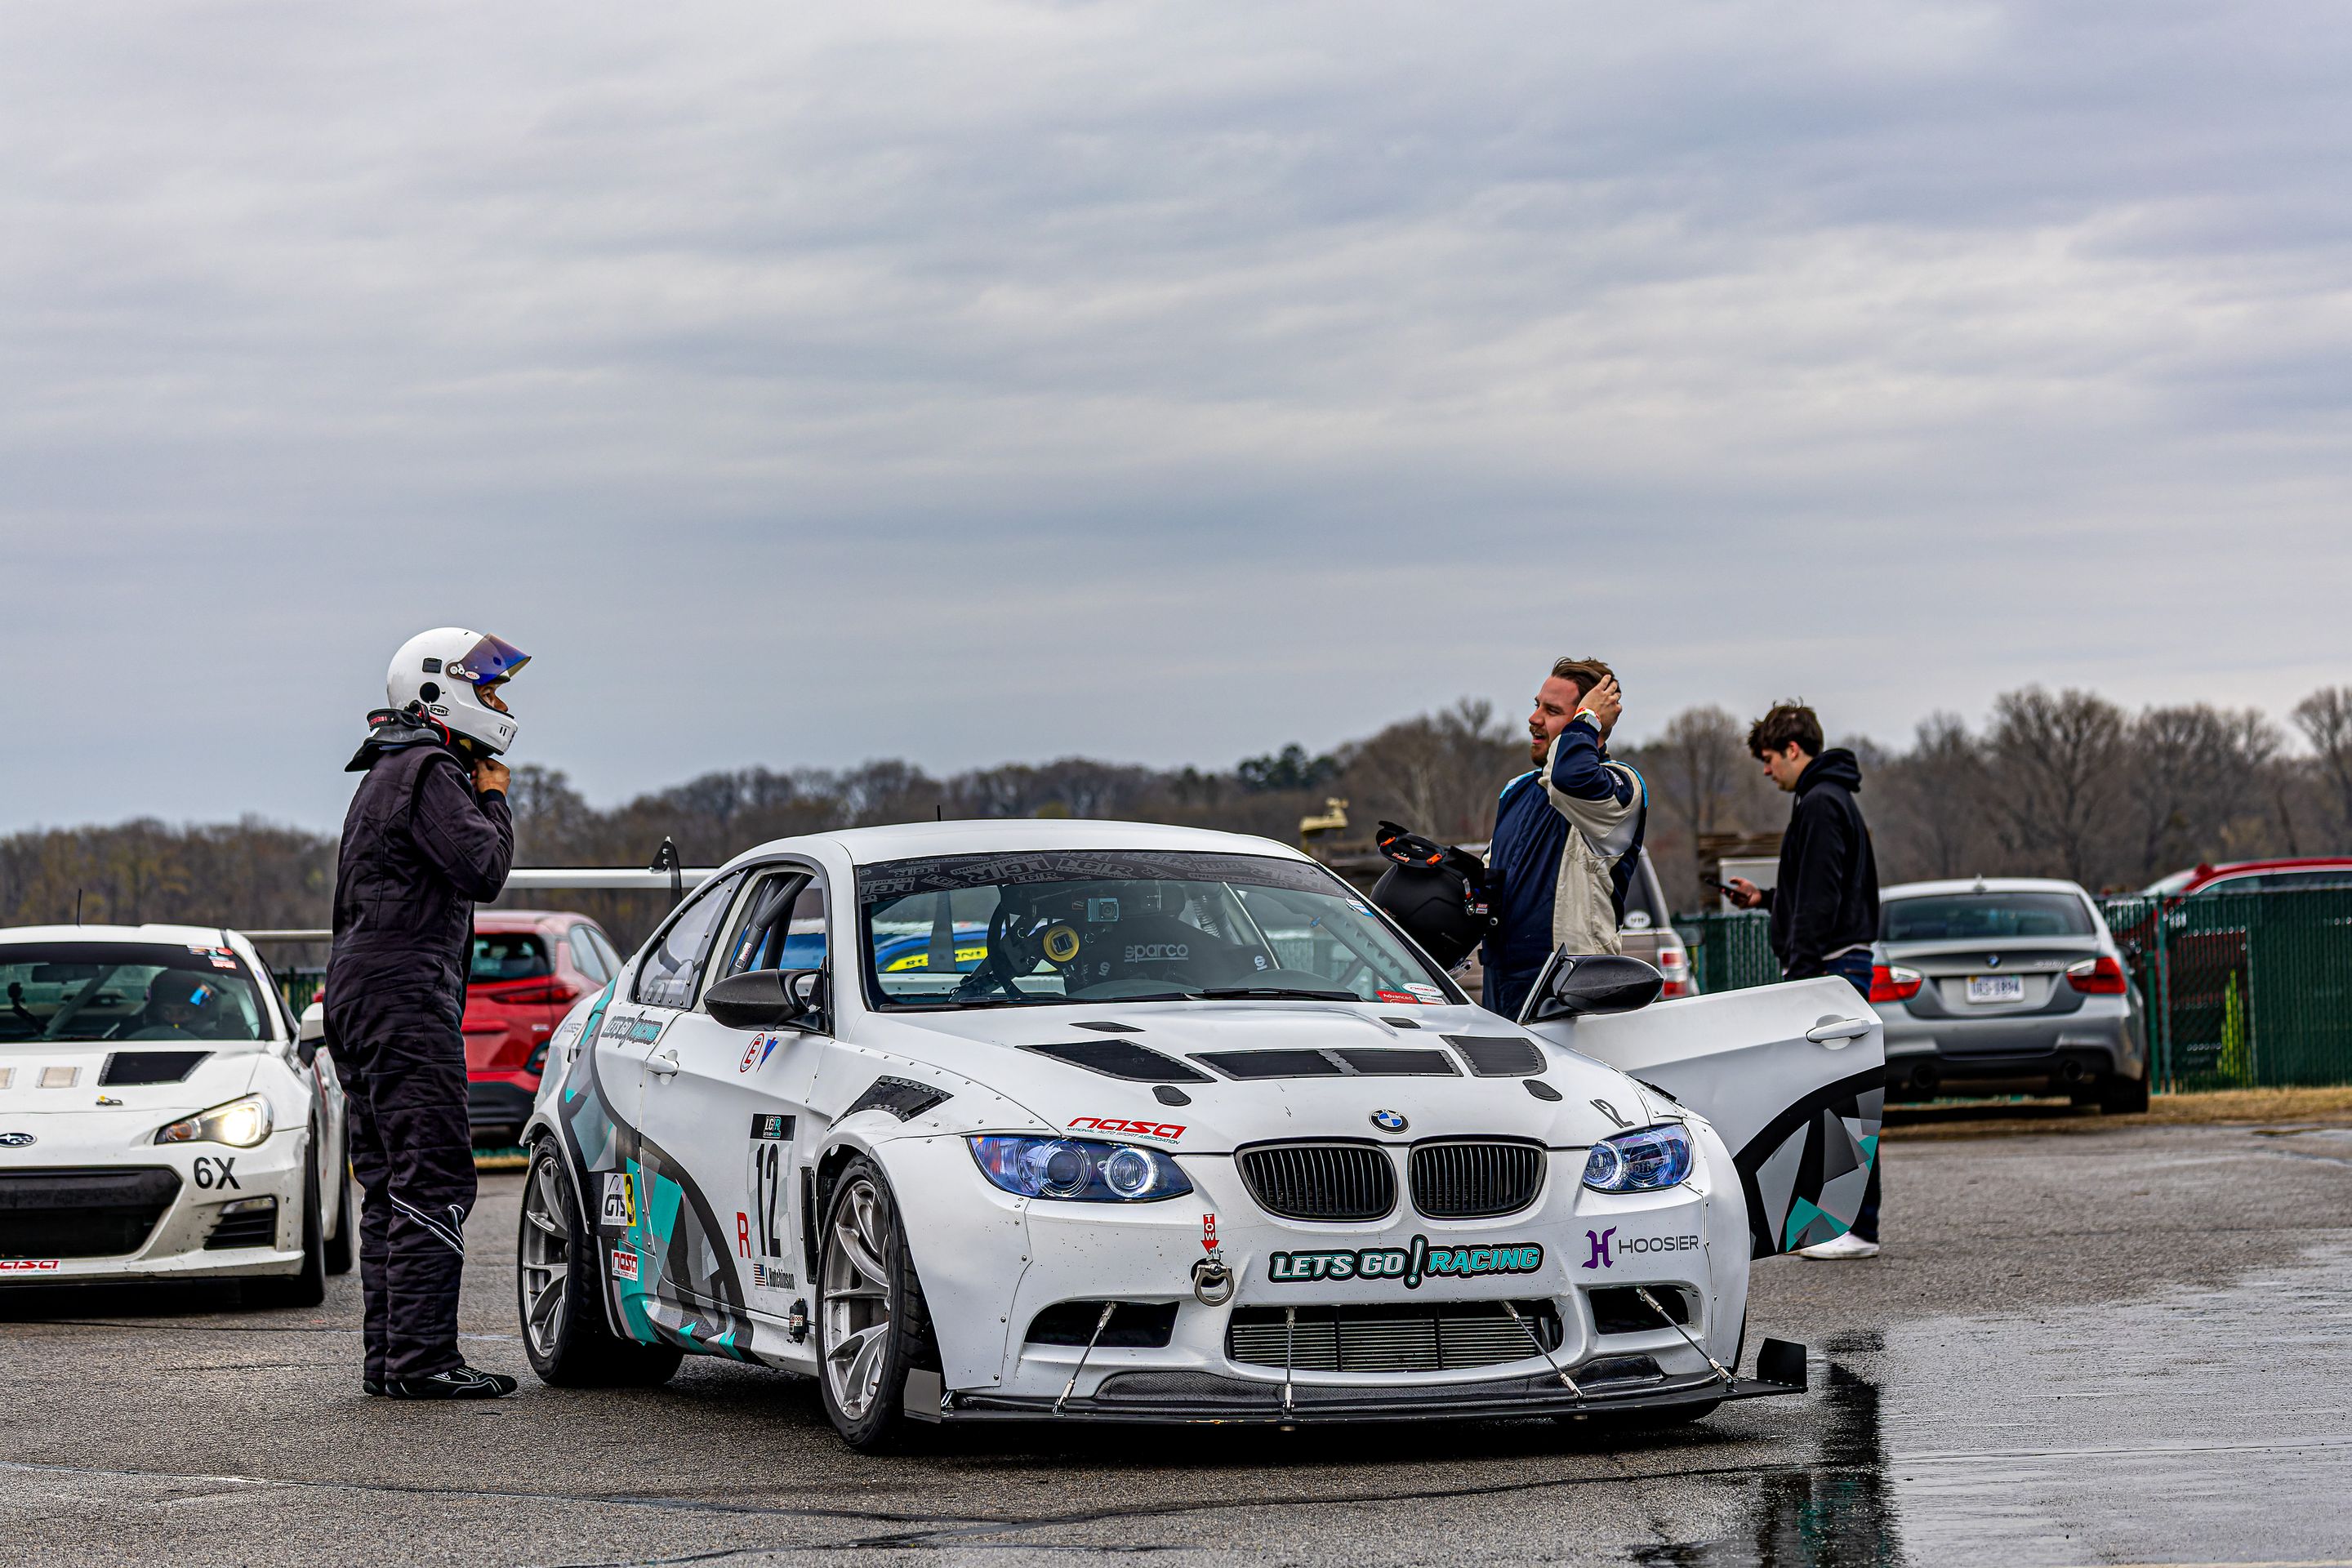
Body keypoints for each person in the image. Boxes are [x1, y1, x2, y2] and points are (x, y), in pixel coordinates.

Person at [325, 628, 526, 1397]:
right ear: (441, 693)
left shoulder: (385, 769)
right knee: (433, 1176)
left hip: (360, 995)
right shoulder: (429, 768)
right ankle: (422, 1362)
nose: (498, 703)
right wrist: (494, 794)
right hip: (403, 1000)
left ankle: (392, 1363)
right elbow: (485, 868)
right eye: (489, 688)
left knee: (389, 1183)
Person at [1726, 701, 1882, 1260]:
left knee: (1842, 1103)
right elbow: (1813, 890)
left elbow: (1820, 896)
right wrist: (1766, 900)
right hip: (1840, 964)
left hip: (1831, 970)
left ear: (1793, 750)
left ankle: (1856, 1229)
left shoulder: (1819, 803)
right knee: (1840, 1101)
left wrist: (1800, 969)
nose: (1767, 771)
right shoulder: (1829, 799)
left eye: (1769, 759)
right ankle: (1849, 1225)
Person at [1480, 658, 1646, 1019]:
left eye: (1552, 711)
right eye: (1536, 705)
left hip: (1571, 993)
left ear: (1593, 721)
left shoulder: (1620, 787)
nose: (1534, 719)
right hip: (1502, 989)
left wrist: (1587, 719)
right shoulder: (1516, 790)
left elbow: (1568, 778)